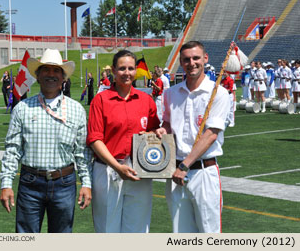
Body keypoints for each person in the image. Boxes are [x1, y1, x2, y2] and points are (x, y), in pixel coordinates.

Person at [0, 49, 92, 233]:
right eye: (46, 70)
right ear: (38, 75)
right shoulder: (22, 108)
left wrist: (87, 184)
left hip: (64, 183)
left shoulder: (76, 110)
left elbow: (82, 152)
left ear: (63, 78)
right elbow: (12, 149)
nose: (51, 74)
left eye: (56, 70)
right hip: (30, 183)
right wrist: (6, 184)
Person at [155, 41, 230, 233]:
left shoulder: (219, 93)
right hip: (176, 173)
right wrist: (164, 131)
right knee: (181, 233)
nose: (192, 63)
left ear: (205, 59)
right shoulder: (171, 93)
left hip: (203, 172)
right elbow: (169, 126)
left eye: (196, 58)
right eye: (186, 59)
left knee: (209, 234)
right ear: (181, 62)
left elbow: (211, 135)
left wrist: (184, 165)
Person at [87, 50, 160, 233]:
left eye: (130, 68)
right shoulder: (100, 100)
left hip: (139, 171)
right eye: (121, 68)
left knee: (138, 229)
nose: (126, 73)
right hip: (108, 170)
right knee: (107, 230)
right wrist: (118, 168)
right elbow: (95, 139)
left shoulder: (146, 100)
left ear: (136, 70)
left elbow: (154, 130)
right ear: (113, 70)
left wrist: (155, 133)